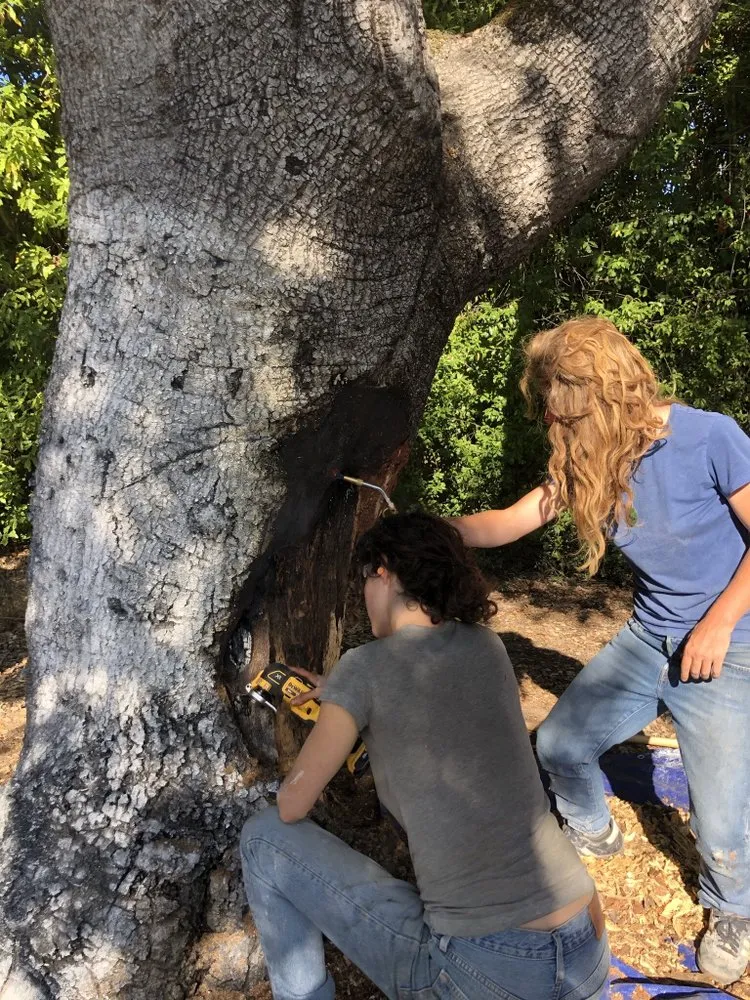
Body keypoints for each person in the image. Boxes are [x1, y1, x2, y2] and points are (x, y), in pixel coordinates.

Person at [450, 316, 750, 985]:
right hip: (650, 636)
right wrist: (441, 529)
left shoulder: (710, 436)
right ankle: (594, 830)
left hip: (730, 644)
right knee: (558, 744)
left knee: (721, 810)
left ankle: (735, 911)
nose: (557, 427)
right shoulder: (590, 457)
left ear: (605, 391)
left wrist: (720, 622)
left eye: (565, 411)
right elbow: (513, 520)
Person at [240, 512, 609, 1000]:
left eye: (364, 580)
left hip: (486, 971)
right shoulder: (487, 646)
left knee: (263, 838)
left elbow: (292, 805)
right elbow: (439, 703)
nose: (363, 596)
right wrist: (343, 695)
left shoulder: (364, 668)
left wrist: (347, 697)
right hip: (587, 946)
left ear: (385, 571)